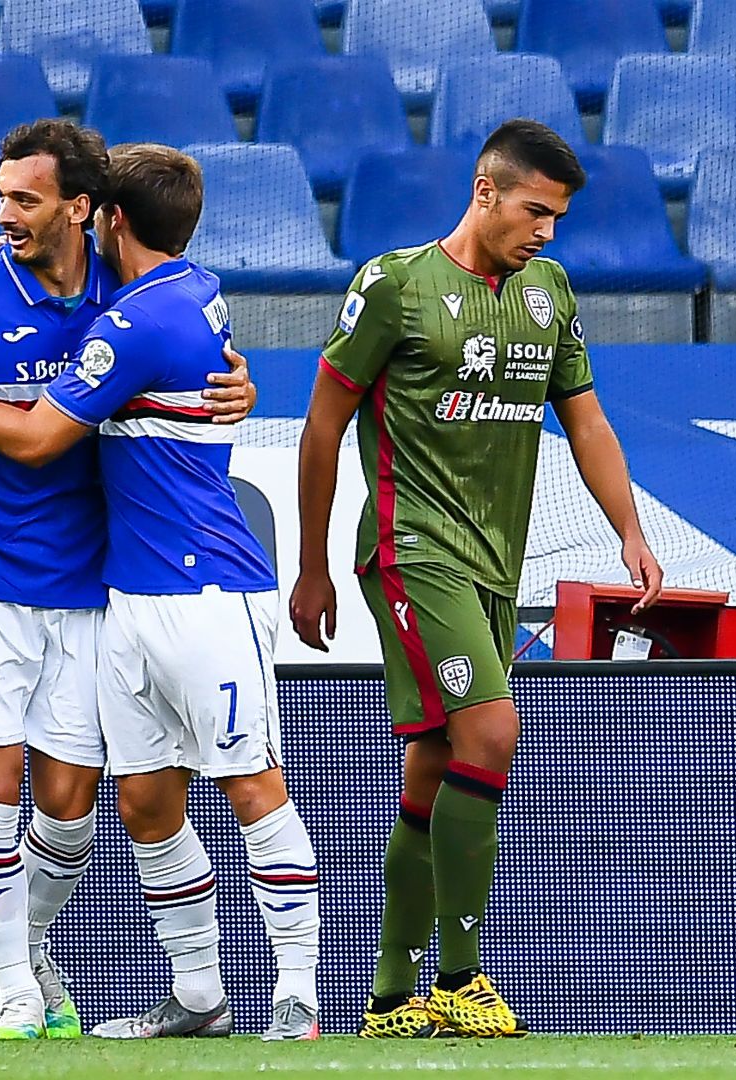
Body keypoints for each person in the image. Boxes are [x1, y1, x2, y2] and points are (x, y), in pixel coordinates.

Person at [0, 144, 316, 1041]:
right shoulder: (161, 292)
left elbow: (44, 438)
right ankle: (180, 998)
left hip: (197, 588)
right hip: (88, 589)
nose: (1, 213)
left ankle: (299, 1000)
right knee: (143, 801)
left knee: (239, 783)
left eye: (24, 199)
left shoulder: (132, 316)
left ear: (97, 214)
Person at [288, 119, 663, 1039]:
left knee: (434, 762)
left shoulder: (549, 292)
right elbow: (324, 426)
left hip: (497, 562)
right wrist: (310, 565)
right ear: (485, 191)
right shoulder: (395, 286)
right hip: (411, 550)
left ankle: (386, 999)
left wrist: (631, 531)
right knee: (493, 732)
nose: (547, 231)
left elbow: (589, 423)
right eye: (536, 211)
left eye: (559, 218)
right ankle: (460, 975)